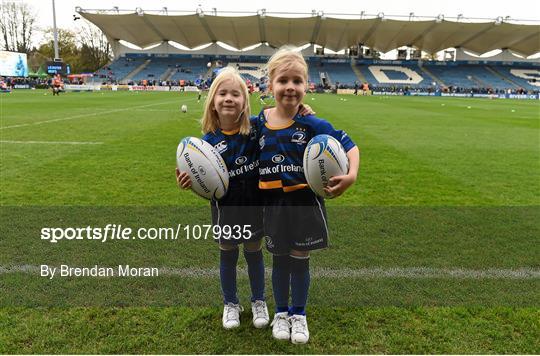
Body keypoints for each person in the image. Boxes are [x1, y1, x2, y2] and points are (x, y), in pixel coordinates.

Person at [175, 67, 315, 330]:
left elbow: (281, 118)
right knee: (227, 252)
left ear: (244, 102)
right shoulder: (205, 145)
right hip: (226, 209)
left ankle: (258, 300)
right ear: (213, 103)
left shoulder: (255, 128)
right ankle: (230, 303)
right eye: (222, 93)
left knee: (253, 251)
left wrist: (302, 110)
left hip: (254, 206)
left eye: (235, 94)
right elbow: (202, 180)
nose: (229, 98)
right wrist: (189, 182)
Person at [256, 47, 359, 344]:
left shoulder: (314, 124)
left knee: (300, 258)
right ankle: (281, 312)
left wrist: (351, 175)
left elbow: (349, 146)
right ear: (270, 85)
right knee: (279, 260)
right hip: (273, 205)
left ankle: (298, 315)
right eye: (283, 80)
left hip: (304, 204)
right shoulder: (258, 123)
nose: (290, 87)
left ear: (306, 86)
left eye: (297, 81)